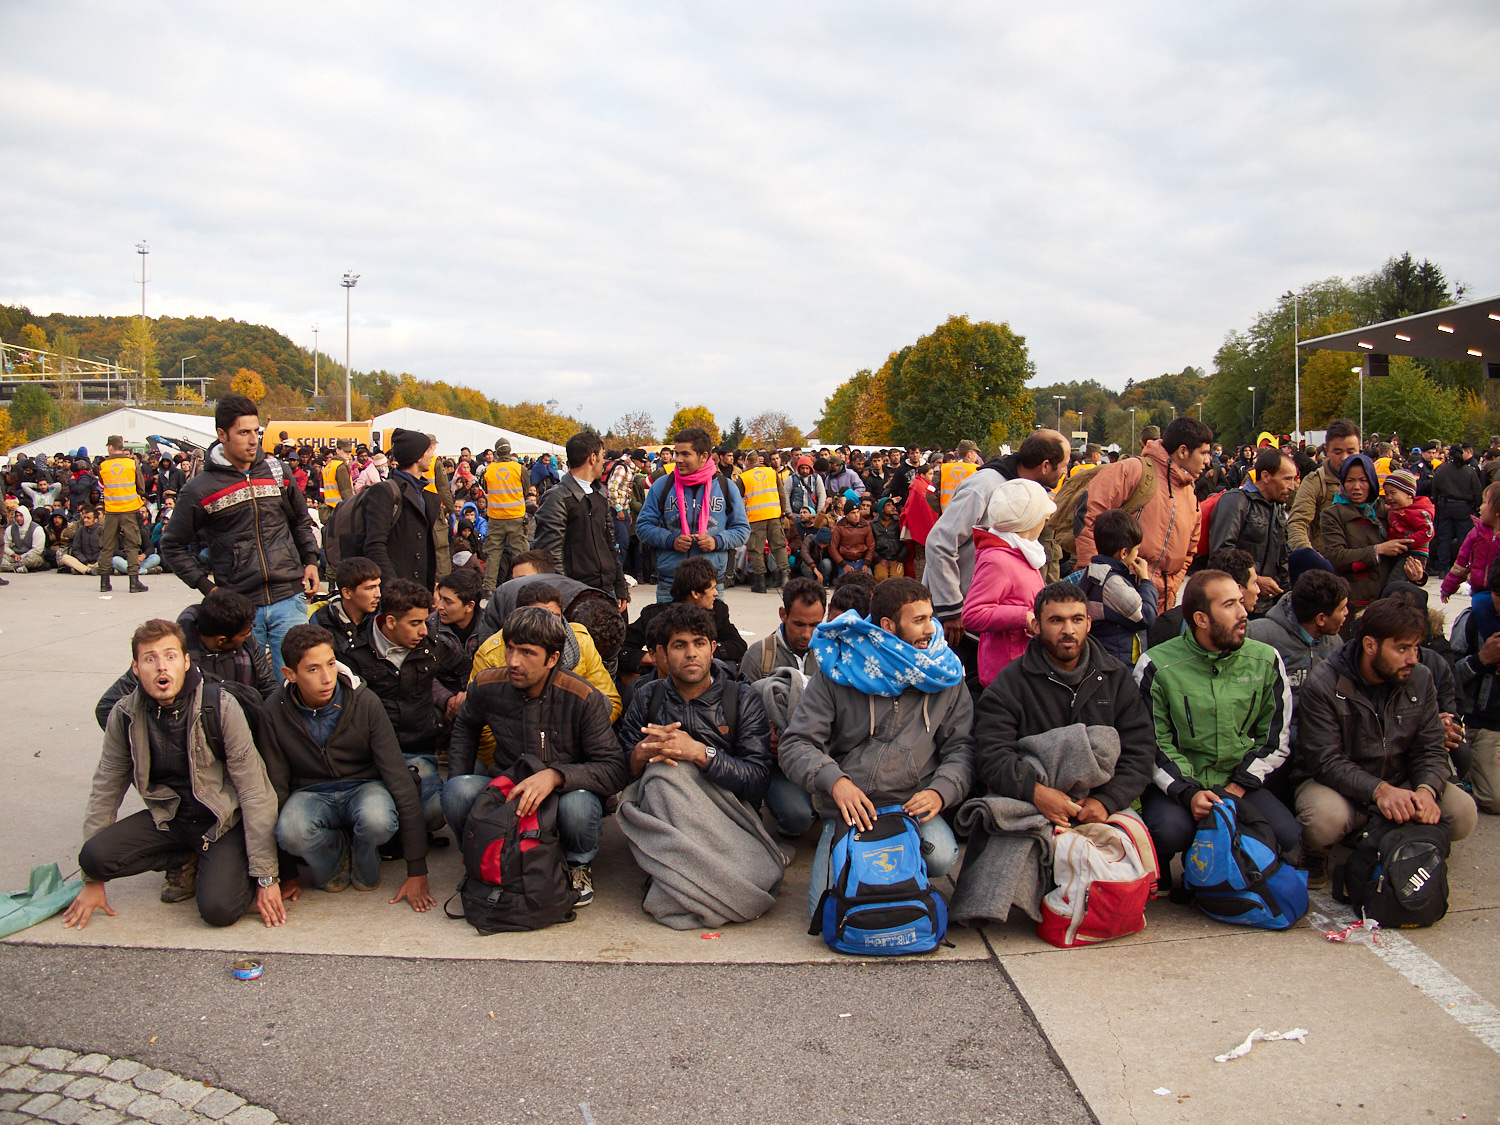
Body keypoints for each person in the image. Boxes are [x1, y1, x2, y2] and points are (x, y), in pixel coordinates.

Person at [63, 619, 284, 931]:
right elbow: (106, 789)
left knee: (219, 910)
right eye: (150, 659)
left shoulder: (219, 706)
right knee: (94, 856)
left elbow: (254, 791)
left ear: (185, 661)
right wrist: (93, 880)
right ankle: (183, 857)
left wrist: (266, 876)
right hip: (169, 818)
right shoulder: (125, 715)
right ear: (136, 668)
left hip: (220, 821)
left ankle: (220, 863)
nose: (161, 667)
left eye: (169, 656)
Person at [779, 578, 974, 916]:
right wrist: (835, 782)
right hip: (848, 807)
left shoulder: (943, 673)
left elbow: (962, 749)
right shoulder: (841, 668)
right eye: (919, 620)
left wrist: (940, 792)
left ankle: (895, 881)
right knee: (822, 913)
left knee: (941, 856)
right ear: (887, 625)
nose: (931, 628)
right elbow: (797, 743)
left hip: (910, 806)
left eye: (931, 617)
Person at [445, 606, 629, 906]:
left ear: (552, 659)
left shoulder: (583, 697)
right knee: (456, 791)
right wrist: (458, 771)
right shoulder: (487, 685)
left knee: (580, 807)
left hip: (563, 794)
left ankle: (577, 865)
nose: (514, 662)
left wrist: (556, 776)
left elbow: (613, 769)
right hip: (508, 789)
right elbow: (465, 725)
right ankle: (479, 857)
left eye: (528, 653)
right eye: (511, 649)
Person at [1296, 598, 1478, 887]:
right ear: (1370, 645)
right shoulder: (1324, 684)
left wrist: (1426, 790)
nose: (1412, 658)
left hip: (1399, 778)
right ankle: (1317, 852)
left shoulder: (1420, 678)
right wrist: (1379, 791)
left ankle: (1403, 839)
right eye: (1402, 648)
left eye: (1416, 647)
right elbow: (1326, 761)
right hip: (1339, 786)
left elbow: (1430, 746)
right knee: (1323, 819)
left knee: (1464, 813)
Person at [1133, 570, 1297, 890]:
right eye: (1229, 605)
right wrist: (1189, 792)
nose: (1243, 612)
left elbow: (1276, 737)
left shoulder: (1265, 659)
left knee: (1287, 834)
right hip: (1181, 785)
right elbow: (1151, 742)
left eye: (1240, 601)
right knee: (1167, 831)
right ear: (1201, 619)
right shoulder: (1157, 665)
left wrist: (1240, 786)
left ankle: (1228, 868)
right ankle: (1166, 866)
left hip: (1239, 781)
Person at [262, 624, 432, 907]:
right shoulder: (274, 710)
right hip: (310, 791)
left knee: (378, 820)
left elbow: (399, 778)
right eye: (313, 669)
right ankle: (335, 854)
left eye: (330, 664)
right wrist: (285, 873)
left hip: (365, 785)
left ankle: (364, 857)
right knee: (290, 830)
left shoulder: (364, 701)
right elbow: (275, 787)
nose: (327, 677)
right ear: (290, 674)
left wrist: (417, 870)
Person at [972, 582, 1154, 826]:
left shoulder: (1116, 677)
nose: (1069, 630)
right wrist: (1035, 792)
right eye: (1056, 621)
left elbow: (1139, 749)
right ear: (1036, 626)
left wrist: (1107, 800)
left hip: (1100, 805)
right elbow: (991, 753)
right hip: (1028, 801)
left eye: (1077, 620)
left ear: (1089, 623)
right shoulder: (1009, 684)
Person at [161, 393, 322, 666]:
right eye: (243, 432)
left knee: (296, 682)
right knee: (250, 688)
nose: (252, 440)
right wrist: (207, 588)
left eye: (256, 432)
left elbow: (299, 520)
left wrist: (311, 559)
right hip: (240, 607)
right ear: (222, 435)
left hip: (289, 597)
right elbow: (172, 545)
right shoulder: (199, 489)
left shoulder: (277, 472)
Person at [925, 430, 1069, 645]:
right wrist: (951, 608)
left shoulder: (1025, 489)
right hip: (960, 622)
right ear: (1046, 466)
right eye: (1064, 464)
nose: (1066, 471)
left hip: (987, 619)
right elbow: (940, 542)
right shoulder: (984, 486)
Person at [619, 603, 771, 797]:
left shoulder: (742, 700)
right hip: (661, 812)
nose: (691, 653)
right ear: (663, 653)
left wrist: (701, 753)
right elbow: (620, 775)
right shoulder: (647, 697)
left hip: (727, 815)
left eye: (699, 643)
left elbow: (758, 780)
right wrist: (641, 753)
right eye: (679, 645)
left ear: (712, 648)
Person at [341, 578, 445, 834]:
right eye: (415, 623)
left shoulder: (430, 644)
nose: (424, 631)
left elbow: (463, 669)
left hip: (418, 751)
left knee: (436, 813)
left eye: (425, 621)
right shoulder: (353, 654)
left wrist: (451, 698)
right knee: (379, 821)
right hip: (371, 758)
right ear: (390, 622)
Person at [1077, 418, 1213, 610]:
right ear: (1183, 451)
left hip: (1157, 605)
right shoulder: (1133, 470)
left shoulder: (1190, 494)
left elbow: (1190, 550)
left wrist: (1171, 589)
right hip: (1115, 598)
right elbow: (1089, 516)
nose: (1208, 461)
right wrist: (1094, 578)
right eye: (1204, 453)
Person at [636, 426, 751, 603]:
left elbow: (742, 529)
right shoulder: (662, 486)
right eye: (676, 453)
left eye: (685, 454)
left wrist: (717, 541)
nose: (678, 459)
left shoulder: (726, 487)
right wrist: (670, 540)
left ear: (704, 456)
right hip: (671, 584)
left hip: (711, 586)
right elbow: (643, 527)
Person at [962, 478, 1055, 687]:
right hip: (1008, 674)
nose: (1046, 521)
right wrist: (1024, 617)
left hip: (1022, 666)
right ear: (1031, 520)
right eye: (1043, 516)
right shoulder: (999, 560)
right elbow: (972, 615)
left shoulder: (1019, 552)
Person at [532, 431, 630, 612]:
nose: (604, 461)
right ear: (592, 458)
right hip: (577, 596)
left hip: (608, 592)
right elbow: (550, 554)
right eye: (602, 456)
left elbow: (609, 544)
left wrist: (620, 586)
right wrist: (565, 597)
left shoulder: (600, 493)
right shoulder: (557, 498)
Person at [1321, 453, 1424, 620]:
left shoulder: (1389, 511)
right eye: (1350, 480)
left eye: (1363, 480)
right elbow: (1336, 556)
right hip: (1352, 606)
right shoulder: (1333, 514)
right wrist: (1379, 550)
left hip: (1389, 605)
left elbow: (1410, 549)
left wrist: (1418, 576)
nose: (1356, 486)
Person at [619, 556, 748, 682]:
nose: (716, 593)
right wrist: (649, 658)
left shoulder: (717, 611)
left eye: (699, 643)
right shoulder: (655, 615)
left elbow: (738, 645)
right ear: (695, 593)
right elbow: (621, 648)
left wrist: (706, 653)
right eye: (712, 588)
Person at [1245, 569, 1349, 712]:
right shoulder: (1257, 637)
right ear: (1321, 619)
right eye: (1342, 608)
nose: (1347, 613)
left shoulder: (1336, 644)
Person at [1208, 446, 1297, 610]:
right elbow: (1221, 553)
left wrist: (1286, 598)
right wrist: (1256, 580)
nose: (1293, 486)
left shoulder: (1277, 507)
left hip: (1269, 605)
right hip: (1237, 603)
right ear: (1266, 476)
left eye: (1294, 479)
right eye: (1287, 479)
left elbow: (1282, 558)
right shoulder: (1236, 501)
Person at [1067, 507, 1159, 664]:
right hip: (1118, 661)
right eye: (1136, 549)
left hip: (1106, 656)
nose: (1137, 554)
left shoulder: (1094, 571)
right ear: (1124, 553)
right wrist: (1145, 580)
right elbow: (1146, 616)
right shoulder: (1111, 582)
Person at [362, 428, 438, 589]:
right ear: (417, 456)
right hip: (397, 595)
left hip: (418, 592)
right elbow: (375, 546)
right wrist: (394, 588)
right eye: (428, 450)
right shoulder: (385, 491)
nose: (431, 455)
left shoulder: (422, 493)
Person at [1287, 419, 1360, 561]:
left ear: (1359, 449)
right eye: (1338, 452)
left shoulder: (1370, 480)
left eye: (1351, 452)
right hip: (1330, 565)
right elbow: (1297, 523)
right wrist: (1311, 557)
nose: (1344, 458)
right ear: (1326, 450)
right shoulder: (1315, 482)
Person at [739, 576, 826, 683]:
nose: (806, 634)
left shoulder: (831, 655)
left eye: (814, 625)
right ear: (783, 614)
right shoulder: (758, 656)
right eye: (798, 624)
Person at [431, 567, 485, 732]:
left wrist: (470, 694)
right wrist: (448, 700)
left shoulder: (490, 629)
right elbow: (421, 673)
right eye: (440, 598)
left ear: (469, 606)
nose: (440, 606)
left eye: (448, 601)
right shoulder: (428, 628)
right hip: (440, 703)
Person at [96, 435, 149, 593]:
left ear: (111, 447)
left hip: (111, 511)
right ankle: (134, 582)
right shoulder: (132, 464)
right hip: (129, 510)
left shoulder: (103, 466)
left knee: (107, 546)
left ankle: (104, 583)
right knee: (132, 546)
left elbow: (101, 486)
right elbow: (141, 488)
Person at [482, 438, 530, 594]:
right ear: (509, 450)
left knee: (493, 554)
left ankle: (489, 589)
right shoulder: (519, 468)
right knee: (520, 554)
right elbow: (526, 488)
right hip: (516, 517)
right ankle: (523, 586)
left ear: (496, 452)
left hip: (495, 517)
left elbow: (485, 488)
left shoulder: (488, 469)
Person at [1440, 481, 1500, 603]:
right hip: (1481, 590)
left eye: (1484, 502)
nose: (1480, 508)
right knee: (1481, 605)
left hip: (1498, 590)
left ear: (1498, 511)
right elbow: (1461, 563)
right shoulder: (1477, 533)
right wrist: (1448, 587)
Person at [738, 450, 789, 594]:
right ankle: (785, 576)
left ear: (747, 462)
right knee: (779, 546)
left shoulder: (742, 477)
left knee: (755, 549)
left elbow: (736, 500)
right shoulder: (772, 472)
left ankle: (760, 582)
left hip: (755, 518)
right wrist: (782, 512)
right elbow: (781, 494)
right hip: (774, 514)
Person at [310, 556, 382, 655]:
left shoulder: (384, 620)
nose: (378, 594)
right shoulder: (320, 623)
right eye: (370, 588)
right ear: (347, 593)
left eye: (378, 586)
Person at [1431, 445, 1483, 577]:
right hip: (1464, 508)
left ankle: (1442, 568)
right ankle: (1462, 567)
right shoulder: (1469, 472)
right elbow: (1477, 492)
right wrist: (1477, 507)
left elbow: (1434, 490)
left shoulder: (1441, 471)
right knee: (1464, 539)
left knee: (1444, 538)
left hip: (1445, 507)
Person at [1382, 468, 1436, 575]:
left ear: (1409, 494)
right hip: (1398, 551)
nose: (1389, 497)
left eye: (1393, 493)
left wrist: (1408, 542)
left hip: (1413, 554)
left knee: (1396, 581)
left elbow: (1428, 531)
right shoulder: (1393, 510)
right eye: (1386, 494)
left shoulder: (1417, 512)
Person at [318, 440, 355, 546]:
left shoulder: (328, 467)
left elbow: (321, 492)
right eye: (346, 451)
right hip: (341, 511)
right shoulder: (341, 467)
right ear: (337, 450)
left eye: (349, 452)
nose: (348, 454)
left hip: (328, 511)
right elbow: (346, 493)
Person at [57, 506, 103, 575]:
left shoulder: (102, 530)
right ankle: (88, 570)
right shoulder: (80, 531)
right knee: (65, 558)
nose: (85, 520)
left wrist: (97, 562)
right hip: (84, 562)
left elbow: (106, 549)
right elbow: (76, 550)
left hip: (99, 562)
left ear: (95, 520)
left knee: (112, 559)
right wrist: (86, 562)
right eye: (84, 518)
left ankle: (83, 570)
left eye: (88, 518)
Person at [0, 506, 45, 573]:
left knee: (33, 560)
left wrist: (22, 556)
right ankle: (17, 568)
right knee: (2, 558)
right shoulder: (10, 529)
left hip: (29, 556)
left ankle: (11, 567)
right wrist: (14, 554)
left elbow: (38, 550)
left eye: (21, 516)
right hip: (15, 557)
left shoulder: (37, 529)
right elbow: (5, 546)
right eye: (17, 516)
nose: (18, 518)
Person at [871, 496, 905, 580]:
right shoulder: (873, 524)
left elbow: (905, 542)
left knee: (896, 579)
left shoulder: (898, 522)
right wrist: (878, 559)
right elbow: (869, 544)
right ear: (882, 509)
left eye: (892, 505)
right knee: (881, 577)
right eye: (888, 505)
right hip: (880, 559)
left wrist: (898, 558)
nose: (892, 507)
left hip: (896, 559)